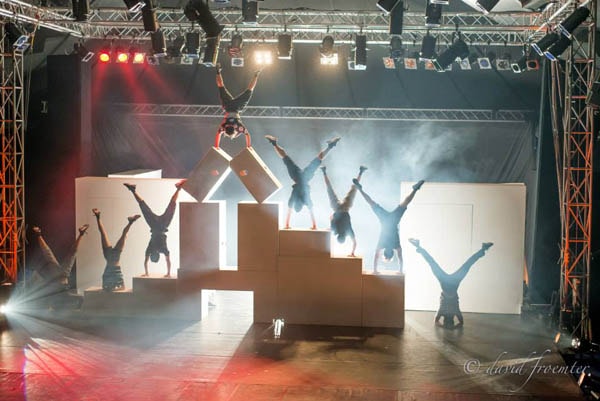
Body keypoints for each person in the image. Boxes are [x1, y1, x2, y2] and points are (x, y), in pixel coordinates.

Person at [408, 238, 493, 328]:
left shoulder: (455, 311)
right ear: (444, 319)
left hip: (453, 283)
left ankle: (483, 249)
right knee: (433, 264)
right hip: (445, 283)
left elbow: (461, 322)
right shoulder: (442, 312)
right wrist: (443, 326)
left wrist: (454, 327)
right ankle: (419, 247)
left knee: (467, 265)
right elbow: (436, 321)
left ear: (453, 319)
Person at [265, 134, 341, 229]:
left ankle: (330, 146)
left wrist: (314, 225)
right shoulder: (295, 198)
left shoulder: (306, 200)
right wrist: (287, 225)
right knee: (285, 158)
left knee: (317, 160)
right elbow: (290, 210)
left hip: (305, 177)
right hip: (297, 176)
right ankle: (274, 143)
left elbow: (310, 211)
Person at [353, 178, 424, 274]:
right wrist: (375, 270)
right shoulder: (381, 244)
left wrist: (400, 271)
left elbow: (400, 258)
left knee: (405, 203)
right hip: (384, 220)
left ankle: (415, 189)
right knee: (371, 203)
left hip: (393, 220)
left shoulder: (396, 245)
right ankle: (359, 189)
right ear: (384, 252)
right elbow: (376, 256)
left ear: (392, 253)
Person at [123, 180, 185, 277]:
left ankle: (178, 189)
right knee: (147, 208)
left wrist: (167, 273)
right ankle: (133, 190)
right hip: (157, 225)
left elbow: (166, 260)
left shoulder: (161, 250)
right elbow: (147, 261)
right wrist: (148, 272)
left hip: (161, 225)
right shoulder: (151, 250)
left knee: (169, 206)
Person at [320, 165, 367, 257]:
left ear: (345, 237)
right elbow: (331, 217)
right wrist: (330, 226)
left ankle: (361, 171)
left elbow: (355, 243)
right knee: (329, 189)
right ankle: (324, 171)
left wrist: (352, 253)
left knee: (354, 190)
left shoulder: (348, 231)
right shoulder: (335, 230)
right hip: (336, 208)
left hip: (345, 208)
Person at [215, 63, 261, 148]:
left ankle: (256, 74)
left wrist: (249, 146)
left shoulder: (239, 128)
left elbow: (247, 135)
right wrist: (216, 146)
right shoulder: (223, 128)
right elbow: (218, 135)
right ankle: (218, 72)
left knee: (250, 90)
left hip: (237, 107)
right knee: (221, 87)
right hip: (228, 106)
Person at [93, 209, 140, 292]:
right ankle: (130, 222)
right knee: (120, 235)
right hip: (113, 257)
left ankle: (98, 217)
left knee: (108, 234)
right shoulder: (116, 277)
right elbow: (122, 287)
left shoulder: (113, 277)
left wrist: (112, 289)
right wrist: (113, 289)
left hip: (112, 258)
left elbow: (116, 287)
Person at [32, 223, 89, 290]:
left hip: (61, 277)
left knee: (52, 254)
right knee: (50, 254)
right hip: (61, 277)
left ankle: (38, 234)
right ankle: (38, 234)